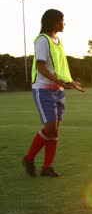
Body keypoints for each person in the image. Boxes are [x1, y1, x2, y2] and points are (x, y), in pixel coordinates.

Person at [22, 9, 84, 178]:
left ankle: (46, 167)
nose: (64, 23)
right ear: (55, 22)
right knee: (50, 128)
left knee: (54, 131)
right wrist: (57, 81)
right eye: (62, 20)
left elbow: (61, 67)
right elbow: (41, 67)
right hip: (43, 90)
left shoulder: (58, 41)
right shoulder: (42, 40)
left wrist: (70, 82)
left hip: (58, 91)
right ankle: (28, 159)